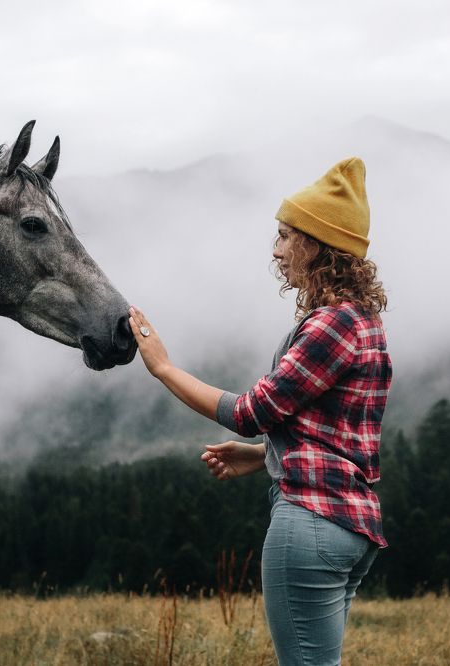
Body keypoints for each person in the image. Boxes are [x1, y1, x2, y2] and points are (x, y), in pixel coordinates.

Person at [128, 156, 391, 666]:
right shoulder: (364, 322)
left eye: (286, 237)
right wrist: (261, 456)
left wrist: (163, 368)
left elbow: (253, 410)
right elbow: (334, 431)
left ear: (316, 244)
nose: (276, 251)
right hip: (349, 528)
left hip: (311, 522)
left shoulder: (330, 325)